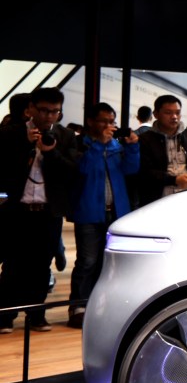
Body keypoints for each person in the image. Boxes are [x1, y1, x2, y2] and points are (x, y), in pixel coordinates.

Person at [0, 87, 78, 333]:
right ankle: (5, 316)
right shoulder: (10, 133)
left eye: (55, 111)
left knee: (42, 265)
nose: (49, 116)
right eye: (44, 110)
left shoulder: (65, 136)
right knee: (12, 264)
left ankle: (37, 315)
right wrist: (25, 144)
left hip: (48, 211)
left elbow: (71, 171)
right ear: (31, 108)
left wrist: (50, 152)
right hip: (16, 209)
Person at [69, 102, 140, 328]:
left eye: (112, 121)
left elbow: (131, 170)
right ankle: (78, 307)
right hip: (89, 212)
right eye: (104, 121)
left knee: (109, 263)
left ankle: (102, 306)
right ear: (90, 121)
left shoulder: (117, 146)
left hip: (117, 212)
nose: (109, 126)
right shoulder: (81, 144)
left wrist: (132, 147)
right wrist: (100, 144)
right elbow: (84, 169)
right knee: (87, 261)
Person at [137, 95, 187, 206]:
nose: (174, 117)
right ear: (156, 114)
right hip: (158, 199)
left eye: (177, 112)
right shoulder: (145, 139)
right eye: (168, 113)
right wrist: (175, 179)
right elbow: (145, 172)